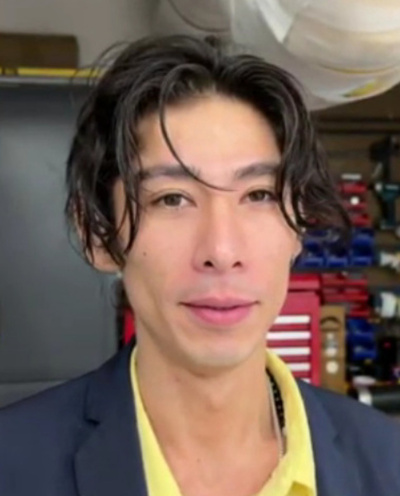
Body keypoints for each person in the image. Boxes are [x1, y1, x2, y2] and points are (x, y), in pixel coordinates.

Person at [0, 35, 399, 496]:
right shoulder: (13, 467)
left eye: (259, 195)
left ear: (299, 227)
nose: (222, 250)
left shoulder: (387, 461)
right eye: (172, 199)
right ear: (97, 233)